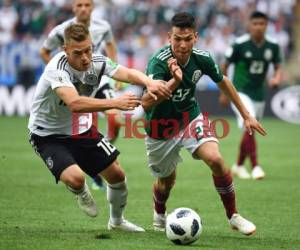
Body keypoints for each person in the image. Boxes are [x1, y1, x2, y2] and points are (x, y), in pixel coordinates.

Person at [29, 23, 171, 232]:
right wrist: (116, 103)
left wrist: (148, 82)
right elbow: (75, 103)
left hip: (79, 130)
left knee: (117, 176)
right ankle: (81, 192)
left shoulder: (96, 61)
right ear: (65, 50)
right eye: (78, 53)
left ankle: (117, 221)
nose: (85, 57)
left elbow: (128, 73)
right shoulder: (56, 69)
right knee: (77, 179)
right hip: (46, 134)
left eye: (89, 49)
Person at [141, 12, 266, 235]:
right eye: (177, 39)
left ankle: (233, 216)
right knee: (166, 182)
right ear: (169, 36)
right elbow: (147, 103)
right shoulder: (158, 62)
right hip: (160, 128)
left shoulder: (202, 58)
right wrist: (175, 81)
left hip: (190, 117)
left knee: (216, 159)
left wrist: (246, 114)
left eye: (187, 39)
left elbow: (223, 80)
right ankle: (159, 213)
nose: (182, 44)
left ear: (195, 37)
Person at [40, 0, 120, 190]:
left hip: (99, 79)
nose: (83, 8)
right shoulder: (62, 30)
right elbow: (44, 51)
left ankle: (99, 159)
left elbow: (111, 47)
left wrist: (114, 72)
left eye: (87, 5)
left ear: (93, 7)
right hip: (75, 84)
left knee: (116, 121)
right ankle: (95, 167)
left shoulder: (103, 26)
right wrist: (60, 76)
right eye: (79, 5)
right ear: (73, 8)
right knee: (85, 125)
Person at [219, 11, 282, 180]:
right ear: (249, 25)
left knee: (249, 130)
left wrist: (276, 78)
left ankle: (238, 165)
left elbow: (277, 66)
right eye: (255, 24)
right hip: (239, 92)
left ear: (266, 25)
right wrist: (225, 92)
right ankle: (255, 167)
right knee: (251, 124)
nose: (259, 27)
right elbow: (224, 66)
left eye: (262, 24)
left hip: (259, 94)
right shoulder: (239, 44)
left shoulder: (273, 46)